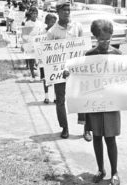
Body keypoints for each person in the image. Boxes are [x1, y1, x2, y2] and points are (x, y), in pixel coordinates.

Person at [76, 19, 127, 185]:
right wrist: (70, 75)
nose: (104, 43)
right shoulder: (89, 56)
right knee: (97, 137)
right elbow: (82, 80)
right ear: (95, 37)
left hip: (111, 105)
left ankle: (115, 172)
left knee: (110, 139)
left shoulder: (118, 56)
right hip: (95, 105)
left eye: (108, 40)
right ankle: (100, 169)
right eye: (101, 39)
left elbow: (126, 77)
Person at [47, 0, 83, 139]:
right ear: (58, 12)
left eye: (69, 10)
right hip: (59, 71)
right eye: (64, 10)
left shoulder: (77, 26)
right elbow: (48, 54)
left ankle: (85, 128)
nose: (67, 12)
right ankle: (64, 127)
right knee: (60, 100)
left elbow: (82, 45)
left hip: (76, 68)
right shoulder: (52, 32)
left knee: (82, 96)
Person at [40, 13, 57, 104]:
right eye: (51, 21)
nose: (53, 23)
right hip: (44, 59)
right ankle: (46, 96)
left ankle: (55, 97)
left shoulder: (56, 31)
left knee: (55, 77)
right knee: (45, 79)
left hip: (54, 58)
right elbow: (38, 46)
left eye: (54, 22)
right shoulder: (42, 32)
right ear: (46, 22)